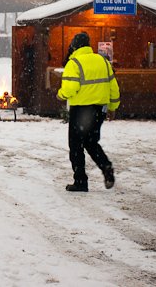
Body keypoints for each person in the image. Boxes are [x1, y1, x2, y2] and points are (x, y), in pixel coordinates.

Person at [57, 32, 120, 192]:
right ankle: (105, 166)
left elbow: (70, 88)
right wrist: (112, 107)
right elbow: (113, 87)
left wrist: (60, 94)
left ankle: (80, 181)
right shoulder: (103, 61)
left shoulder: (74, 62)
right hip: (99, 109)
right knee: (91, 142)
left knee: (76, 145)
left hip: (80, 111)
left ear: (74, 45)